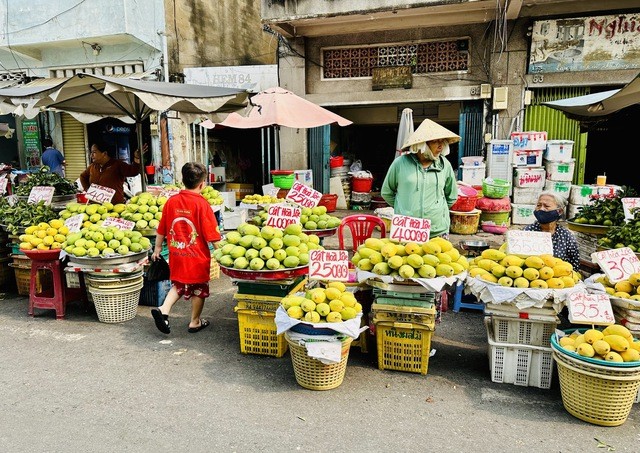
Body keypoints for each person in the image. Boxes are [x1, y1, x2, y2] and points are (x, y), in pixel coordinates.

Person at [150, 162, 221, 334]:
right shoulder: (202, 204)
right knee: (199, 288)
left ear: (182, 180)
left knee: (179, 284)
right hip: (196, 256)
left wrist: (157, 248)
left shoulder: (172, 201)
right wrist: (222, 255)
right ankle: (195, 321)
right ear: (202, 184)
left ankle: (164, 310)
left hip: (177, 253)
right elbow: (212, 235)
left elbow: (162, 227)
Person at [381, 118, 459, 238]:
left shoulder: (445, 165)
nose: (440, 146)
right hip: (408, 230)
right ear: (422, 144)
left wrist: (437, 211)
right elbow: (387, 192)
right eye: (435, 141)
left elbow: (451, 196)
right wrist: (404, 209)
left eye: (442, 142)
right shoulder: (400, 163)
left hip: (437, 230)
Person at [524, 191, 580, 270]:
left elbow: (574, 265)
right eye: (538, 205)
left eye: (546, 206)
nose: (541, 209)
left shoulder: (566, 236)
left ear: (559, 211)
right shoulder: (527, 232)